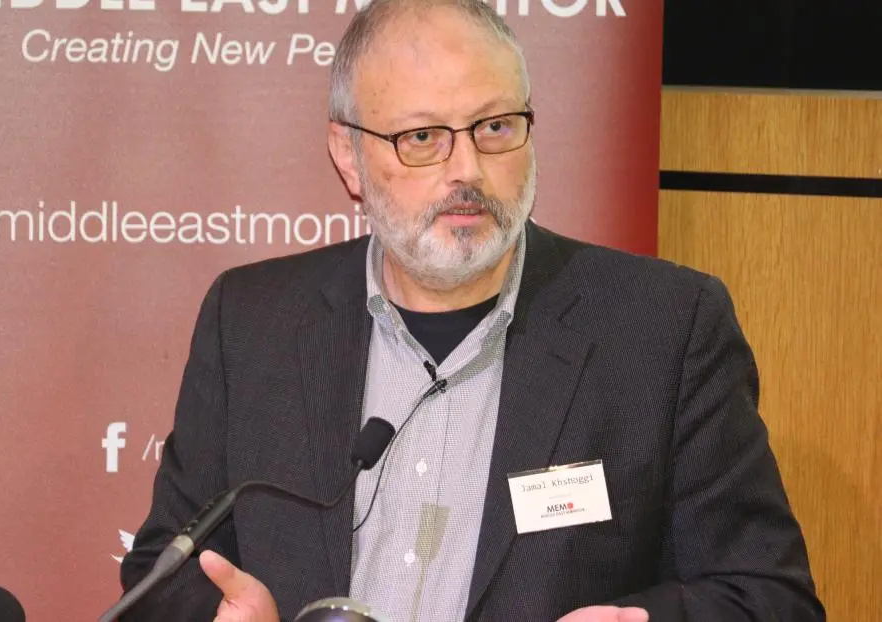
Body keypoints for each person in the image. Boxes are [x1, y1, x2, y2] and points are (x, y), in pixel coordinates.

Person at [120, 1, 825, 620]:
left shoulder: (662, 329)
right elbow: (163, 573)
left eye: (493, 127)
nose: (467, 170)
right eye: (422, 137)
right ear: (348, 157)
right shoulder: (252, 321)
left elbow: (768, 597)